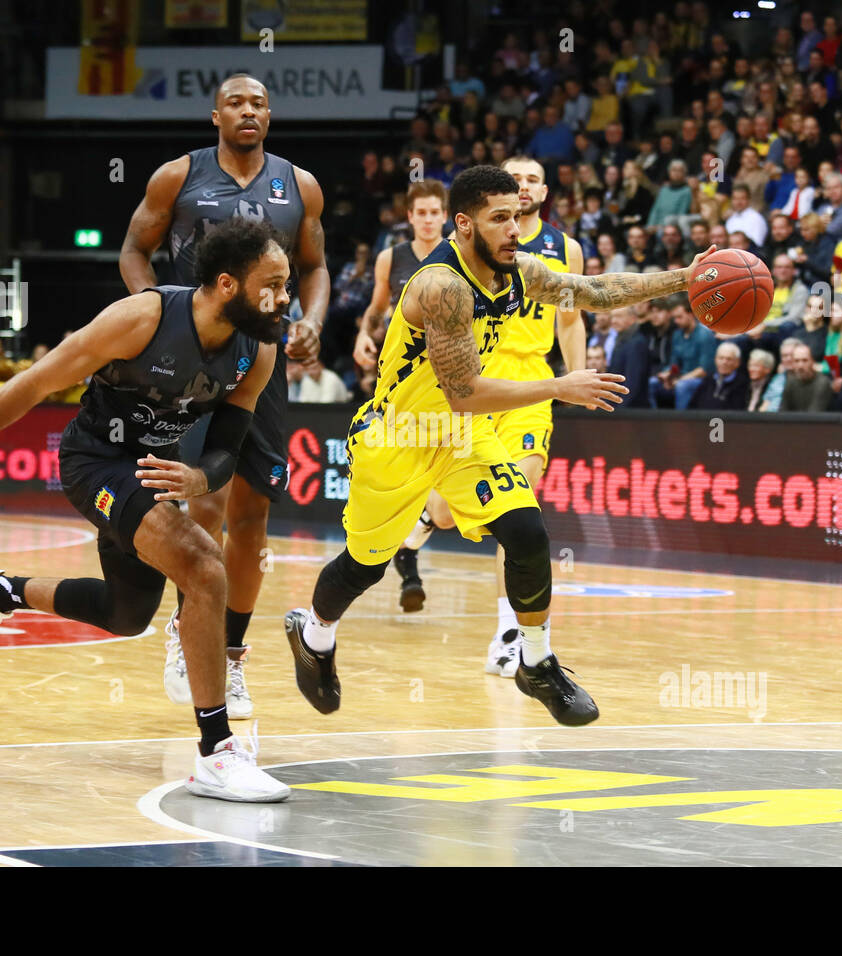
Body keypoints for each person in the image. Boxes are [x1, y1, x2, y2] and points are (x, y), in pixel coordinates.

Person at [283, 165, 712, 727]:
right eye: (500, 218)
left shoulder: (512, 267)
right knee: (365, 565)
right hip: (402, 435)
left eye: (517, 215)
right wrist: (561, 386)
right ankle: (314, 635)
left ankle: (535, 660)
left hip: (463, 437)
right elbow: (465, 393)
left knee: (527, 530)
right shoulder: (442, 286)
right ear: (463, 224)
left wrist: (685, 277)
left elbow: (591, 290)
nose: (516, 229)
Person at [0, 218, 290, 802]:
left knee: (126, 614)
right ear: (226, 284)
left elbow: (226, 448)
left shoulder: (259, 351)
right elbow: (34, 384)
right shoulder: (142, 319)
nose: (284, 298)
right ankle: (217, 751)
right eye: (273, 284)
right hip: (94, 460)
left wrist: (197, 475)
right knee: (204, 565)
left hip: (152, 469)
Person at [118, 74, 329, 717]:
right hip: (193, 360)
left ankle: (230, 654)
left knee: (252, 516)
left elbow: (316, 266)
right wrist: (153, 316)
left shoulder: (301, 186)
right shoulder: (176, 177)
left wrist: (313, 321)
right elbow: (134, 250)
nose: (248, 112)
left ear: (270, 116)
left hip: (262, 359)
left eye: (258, 104)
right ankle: (188, 634)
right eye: (236, 103)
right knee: (200, 501)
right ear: (215, 115)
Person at [394, 156, 586, 671]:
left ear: (543, 193)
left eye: (532, 179)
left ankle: (510, 636)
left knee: (518, 506)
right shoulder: (470, 253)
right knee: (446, 513)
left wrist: (574, 379)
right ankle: (413, 539)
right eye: (515, 177)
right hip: (475, 383)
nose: (522, 185)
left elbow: (572, 318)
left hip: (531, 385)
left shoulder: (564, 250)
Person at [353, 180, 448, 370]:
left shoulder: (459, 255)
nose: (428, 220)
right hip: (402, 356)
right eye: (421, 213)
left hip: (448, 356)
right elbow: (378, 307)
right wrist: (363, 334)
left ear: (444, 216)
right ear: (410, 216)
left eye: (434, 212)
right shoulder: (389, 258)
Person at [689, 341, 748, 409]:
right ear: (715, 360)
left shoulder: (742, 384)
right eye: (721, 358)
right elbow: (692, 407)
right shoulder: (707, 380)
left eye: (729, 359)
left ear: (737, 362)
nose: (724, 362)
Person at [779, 342, 833, 411]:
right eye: (796, 361)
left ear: (813, 362)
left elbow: (814, 414)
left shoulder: (822, 382)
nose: (800, 365)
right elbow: (783, 410)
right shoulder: (790, 381)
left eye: (805, 360)